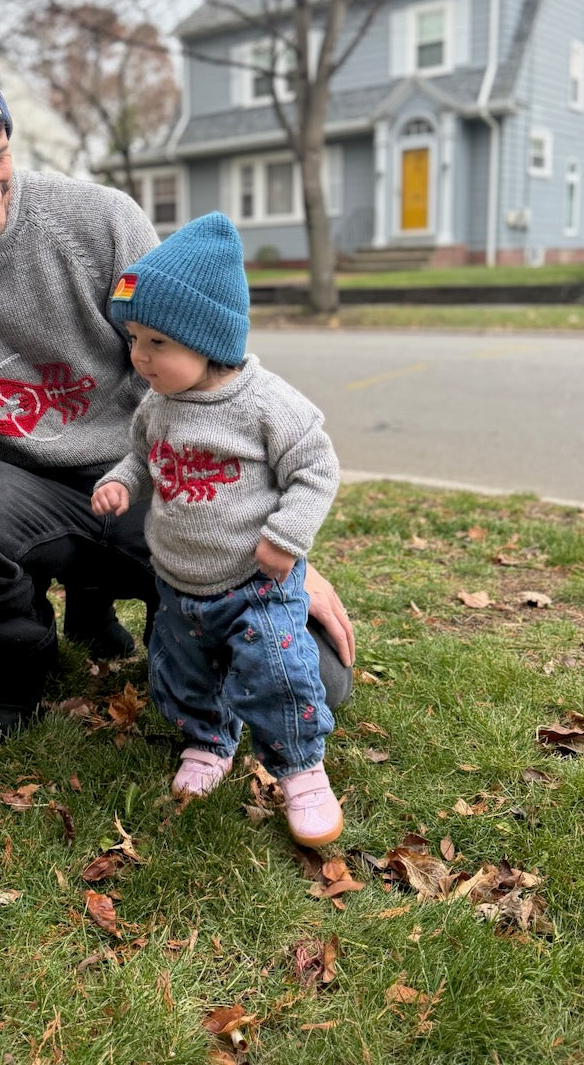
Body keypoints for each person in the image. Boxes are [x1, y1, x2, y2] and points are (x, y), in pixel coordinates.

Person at [0, 37, 356, 741]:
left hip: (155, 482)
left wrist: (284, 557)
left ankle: (112, 601)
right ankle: (27, 655)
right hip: (21, 495)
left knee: (323, 685)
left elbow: (212, 374)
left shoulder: (102, 220)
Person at [91, 213, 343, 846]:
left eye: (157, 343)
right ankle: (208, 741)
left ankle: (302, 770)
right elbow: (140, 453)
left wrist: (287, 538)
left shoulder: (265, 405)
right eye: (134, 339)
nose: (139, 357)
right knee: (184, 670)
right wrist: (122, 480)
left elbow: (317, 469)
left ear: (208, 340)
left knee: (276, 671)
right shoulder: (157, 404)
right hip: (179, 581)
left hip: (255, 581)